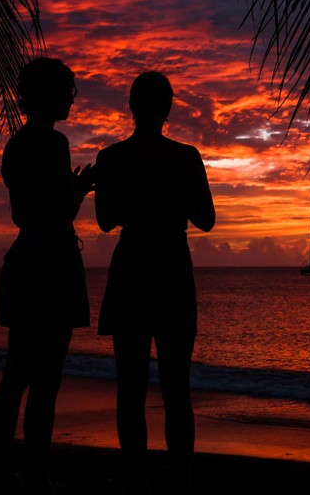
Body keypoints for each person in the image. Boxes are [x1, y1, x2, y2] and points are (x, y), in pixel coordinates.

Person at [95, 71, 215, 495]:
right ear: (168, 108)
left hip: (132, 268)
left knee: (131, 385)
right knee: (175, 386)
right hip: (170, 268)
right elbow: (207, 219)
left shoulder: (111, 158)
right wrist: (171, 193)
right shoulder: (185, 157)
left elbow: (105, 220)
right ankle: (178, 481)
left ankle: (136, 481)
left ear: (131, 105)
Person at [0, 58, 94, 494]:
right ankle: (35, 472)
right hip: (51, 261)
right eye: (68, 90)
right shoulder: (53, 143)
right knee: (46, 376)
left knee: (17, 371)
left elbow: (27, 208)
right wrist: (83, 187)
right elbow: (60, 209)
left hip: (25, 258)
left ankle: (1, 467)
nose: (72, 97)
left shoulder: (15, 146)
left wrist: (67, 189)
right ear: (50, 95)